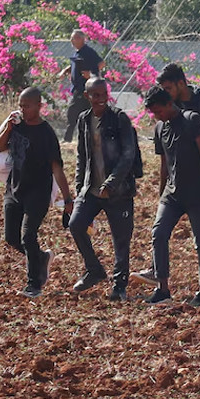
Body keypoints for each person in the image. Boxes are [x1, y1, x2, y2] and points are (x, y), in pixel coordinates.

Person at [133, 63, 200, 286]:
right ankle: (157, 270)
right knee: (161, 229)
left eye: (168, 88)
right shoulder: (169, 106)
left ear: (181, 84)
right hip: (179, 176)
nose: (165, 92)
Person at [141, 85, 200, 307]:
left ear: (169, 103)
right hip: (172, 194)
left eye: (160, 111)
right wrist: (161, 194)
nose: (158, 116)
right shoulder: (160, 128)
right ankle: (162, 288)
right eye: (154, 114)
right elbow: (164, 164)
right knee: (158, 233)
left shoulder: (192, 120)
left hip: (197, 193)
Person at [0, 87, 73, 298]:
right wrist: (8, 127)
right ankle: (41, 258)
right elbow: (0, 147)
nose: (22, 110)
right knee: (11, 238)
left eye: (26, 106)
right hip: (14, 188)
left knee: (28, 235)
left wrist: (67, 198)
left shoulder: (46, 133)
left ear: (39, 106)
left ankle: (33, 285)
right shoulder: (16, 127)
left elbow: (57, 168)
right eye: (20, 106)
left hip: (37, 191)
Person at [67, 78, 137, 301]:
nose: (100, 99)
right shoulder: (84, 120)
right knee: (76, 224)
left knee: (121, 240)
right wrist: (80, 187)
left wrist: (111, 183)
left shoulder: (118, 119)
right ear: (87, 96)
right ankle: (94, 270)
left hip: (118, 192)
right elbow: (82, 155)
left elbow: (128, 155)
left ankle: (119, 286)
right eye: (95, 95)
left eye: (103, 94)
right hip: (91, 189)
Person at [60, 30, 105, 142]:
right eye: (71, 38)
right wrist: (65, 70)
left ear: (82, 39)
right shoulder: (78, 52)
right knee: (85, 114)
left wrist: (91, 74)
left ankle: (68, 138)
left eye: (74, 38)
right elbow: (75, 64)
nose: (72, 41)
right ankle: (88, 138)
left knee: (73, 112)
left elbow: (101, 63)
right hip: (78, 88)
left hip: (84, 88)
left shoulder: (88, 52)